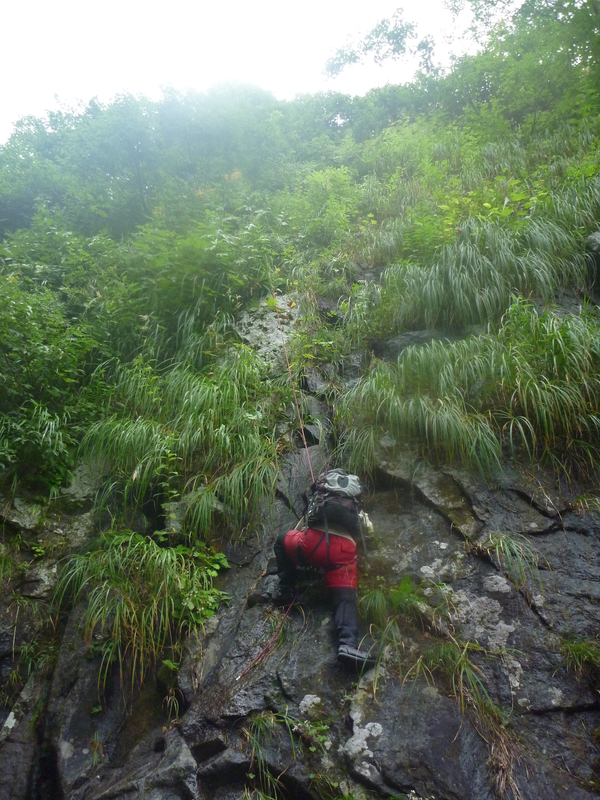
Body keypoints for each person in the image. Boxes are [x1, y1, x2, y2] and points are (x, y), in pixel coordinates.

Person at [274, 516, 376, 668]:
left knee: (281, 540)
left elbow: (299, 528)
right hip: (342, 551)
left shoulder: (319, 500)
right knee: (345, 599)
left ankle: (287, 592)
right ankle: (348, 645)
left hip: (312, 545)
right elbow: (369, 530)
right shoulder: (353, 505)